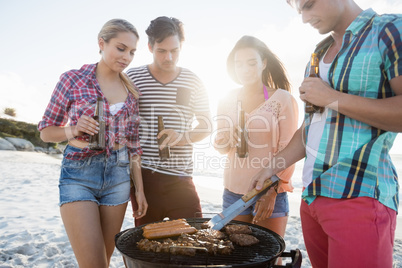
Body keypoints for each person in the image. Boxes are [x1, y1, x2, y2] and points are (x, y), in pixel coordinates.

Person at [249, 0, 402, 267]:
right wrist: (272, 168)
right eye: (299, 10)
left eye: (308, 5)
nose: (305, 18)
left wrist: (333, 98)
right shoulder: (318, 53)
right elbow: (312, 126)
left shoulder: (389, 29)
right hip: (312, 198)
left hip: (359, 196)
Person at [38, 19, 148, 267]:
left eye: (132, 52)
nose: (127, 57)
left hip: (118, 179)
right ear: (102, 43)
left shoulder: (131, 92)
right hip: (78, 176)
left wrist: (139, 189)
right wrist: (73, 129)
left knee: (104, 261)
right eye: (121, 48)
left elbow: (133, 144)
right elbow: (45, 132)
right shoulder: (73, 79)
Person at [126, 16, 212, 226]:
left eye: (174, 51)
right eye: (162, 51)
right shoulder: (133, 78)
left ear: (181, 46)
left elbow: (206, 126)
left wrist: (182, 138)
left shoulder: (193, 80)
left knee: (195, 238)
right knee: (146, 247)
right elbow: (124, 128)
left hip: (181, 178)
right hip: (144, 179)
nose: (169, 57)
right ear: (149, 47)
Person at [213, 35, 298, 246]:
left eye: (251, 62)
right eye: (238, 64)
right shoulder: (226, 99)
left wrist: (271, 191)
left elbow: (289, 150)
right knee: (238, 258)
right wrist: (227, 138)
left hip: (270, 192)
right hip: (234, 192)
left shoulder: (282, 99)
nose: (245, 69)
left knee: (270, 258)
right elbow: (220, 146)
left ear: (264, 63)